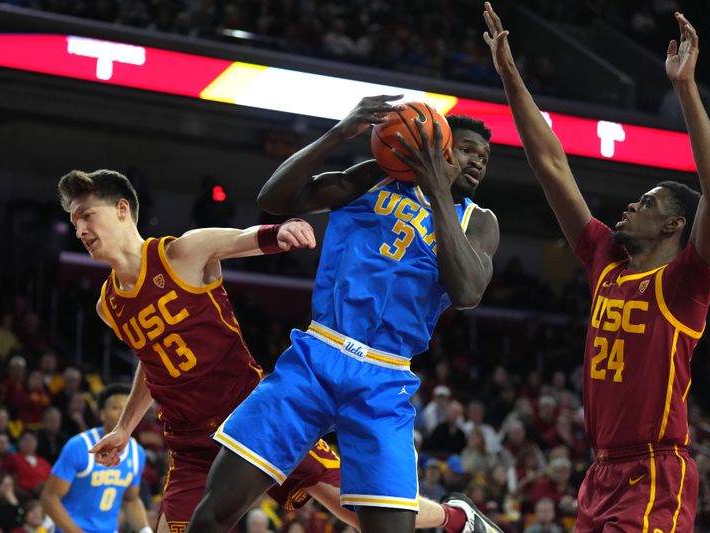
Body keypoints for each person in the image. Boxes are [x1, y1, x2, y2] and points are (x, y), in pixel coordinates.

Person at [60, 169, 493, 533]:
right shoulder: (108, 304)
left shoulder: (180, 252)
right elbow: (149, 361)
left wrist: (280, 231)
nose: (80, 228)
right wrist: (124, 426)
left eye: (86, 215)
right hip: (188, 442)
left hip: (250, 416)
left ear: (121, 210)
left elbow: (243, 238)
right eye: (74, 220)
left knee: (365, 514)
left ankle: (457, 518)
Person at [187, 95, 502, 533]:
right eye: (468, 149)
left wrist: (436, 190)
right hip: (317, 356)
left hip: (384, 378)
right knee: (215, 512)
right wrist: (339, 132)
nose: (477, 162)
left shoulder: (478, 221)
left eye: (484, 157)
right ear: (439, 143)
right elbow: (275, 198)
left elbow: (467, 291)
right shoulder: (374, 178)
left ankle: (461, 521)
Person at [482, 3, 710, 531]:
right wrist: (509, 76)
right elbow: (550, 164)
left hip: (654, 471)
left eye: (646, 203)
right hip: (598, 473)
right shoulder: (605, 259)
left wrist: (684, 88)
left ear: (674, 228)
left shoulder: (685, 281)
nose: (629, 207)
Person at [40, 383, 150, 533]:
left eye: (127, 409)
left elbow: (130, 500)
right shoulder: (79, 446)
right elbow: (49, 498)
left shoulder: (138, 453)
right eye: (116, 408)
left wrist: (145, 530)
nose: (122, 414)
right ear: (102, 413)